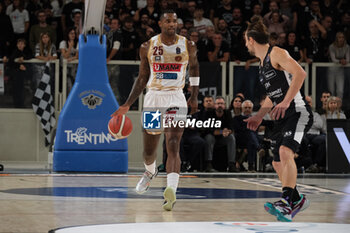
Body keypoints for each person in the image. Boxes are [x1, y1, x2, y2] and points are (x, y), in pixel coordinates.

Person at [111, 10, 199, 211]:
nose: (172, 23)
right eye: (167, 20)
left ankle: (171, 191)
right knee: (149, 151)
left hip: (176, 96)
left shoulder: (188, 45)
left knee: (174, 143)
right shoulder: (148, 46)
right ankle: (150, 172)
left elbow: (194, 68)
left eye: (174, 21)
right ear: (160, 23)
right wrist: (127, 104)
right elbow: (142, 78)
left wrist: (193, 95)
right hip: (153, 97)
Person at [244, 16, 313, 222]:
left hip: (298, 111)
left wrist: (285, 101)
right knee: (276, 163)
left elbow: (300, 74)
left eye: (245, 41)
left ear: (251, 40)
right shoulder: (262, 65)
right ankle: (297, 199)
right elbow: (270, 98)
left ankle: (285, 203)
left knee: (285, 151)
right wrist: (258, 116)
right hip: (282, 117)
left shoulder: (277, 52)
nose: (245, 44)